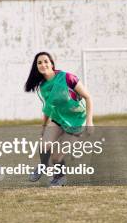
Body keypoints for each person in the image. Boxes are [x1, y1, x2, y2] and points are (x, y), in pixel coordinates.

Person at [24, 52, 94, 186]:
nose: (43, 64)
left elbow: (88, 97)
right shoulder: (42, 86)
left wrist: (90, 121)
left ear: (51, 63)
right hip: (57, 119)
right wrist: (44, 127)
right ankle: (43, 166)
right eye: (39, 62)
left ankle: (60, 177)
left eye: (46, 61)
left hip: (76, 122)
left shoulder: (68, 78)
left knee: (56, 156)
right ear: (36, 67)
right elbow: (48, 108)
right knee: (44, 145)